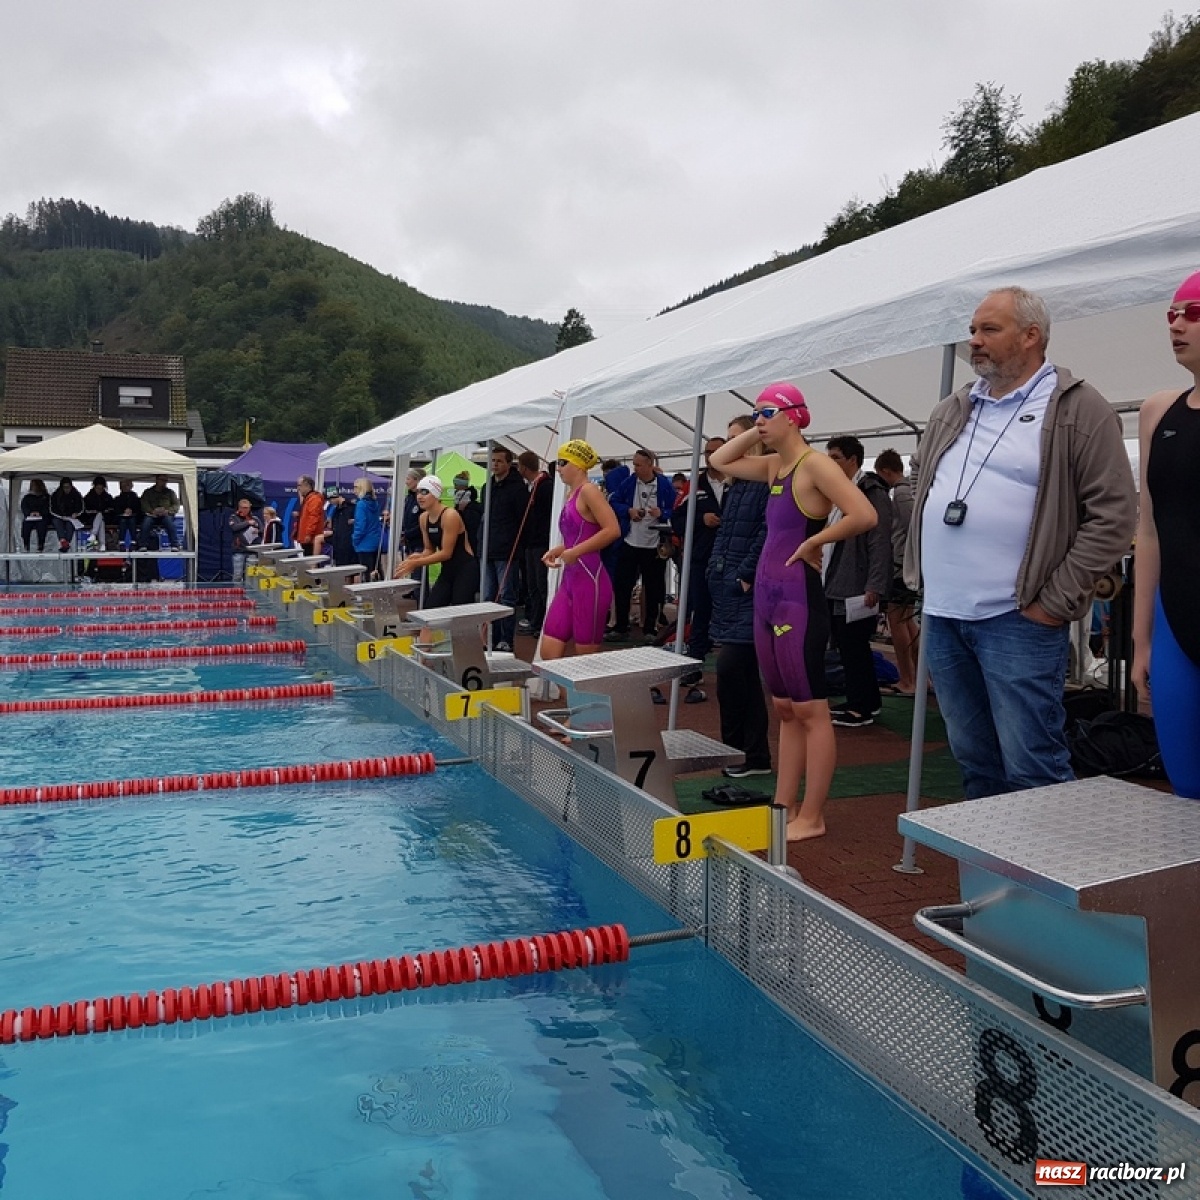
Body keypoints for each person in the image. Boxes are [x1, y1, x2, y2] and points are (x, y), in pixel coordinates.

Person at [904, 286, 1137, 800]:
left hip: (1019, 618)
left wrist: (1054, 602)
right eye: (972, 331)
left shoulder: (1079, 407)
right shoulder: (954, 407)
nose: (975, 341)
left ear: (1032, 336)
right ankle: (995, 882)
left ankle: (1047, 879)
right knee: (974, 762)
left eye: (989, 330)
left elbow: (1115, 514)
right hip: (945, 615)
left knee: (1033, 765)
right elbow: (920, 477)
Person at [710, 383, 877, 840]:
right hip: (765, 595)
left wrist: (815, 541)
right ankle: (783, 805)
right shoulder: (774, 466)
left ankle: (813, 815)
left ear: (794, 417)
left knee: (811, 710)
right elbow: (719, 462)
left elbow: (863, 514)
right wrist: (756, 427)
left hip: (797, 598)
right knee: (783, 707)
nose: (759, 419)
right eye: (756, 412)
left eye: (767, 412)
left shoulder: (815, 466)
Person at [1132, 271, 1200, 799]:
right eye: (1171, 314)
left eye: (1192, 313)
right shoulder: (1159, 411)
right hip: (1177, 623)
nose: (1176, 324)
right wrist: (1141, 639)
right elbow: (1148, 529)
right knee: (1186, 785)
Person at [707, 417, 772, 778]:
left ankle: (751, 754)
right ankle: (737, 752)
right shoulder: (738, 486)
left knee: (736, 670)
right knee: (734, 675)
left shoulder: (765, 480)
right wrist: (717, 570)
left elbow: (765, 533)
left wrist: (744, 574)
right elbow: (729, 531)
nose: (729, 447)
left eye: (737, 439)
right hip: (729, 588)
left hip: (747, 589)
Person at [823, 436, 894, 728]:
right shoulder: (840, 492)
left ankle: (861, 706)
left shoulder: (872, 492)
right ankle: (865, 700)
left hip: (856, 583)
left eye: (836, 457)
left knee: (854, 645)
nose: (831, 463)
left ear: (853, 460)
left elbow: (880, 542)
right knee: (849, 645)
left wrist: (875, 585)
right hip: (839, 579)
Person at [540, 440, 621, 659]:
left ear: (577, 464)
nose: (557, 468)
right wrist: (560, 549)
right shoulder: (571, 495)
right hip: (571, 579)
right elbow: (579, 536)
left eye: (562, 462)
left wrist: (575, 552)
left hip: (590, 581)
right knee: (549, 650)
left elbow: (613, 529)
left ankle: (587, 694)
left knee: (585, 660)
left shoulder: (589, 491)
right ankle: (567, 695)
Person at [670, 437, 728, 702]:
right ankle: (695, 664)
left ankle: (732, 666)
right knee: (700, 610)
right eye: (707, 453)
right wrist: (701, 519)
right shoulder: (695, 485)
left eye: (715, 452)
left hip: (732, 559)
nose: (710, 456)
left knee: (732, 612)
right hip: (701, 558)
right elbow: (676, 519)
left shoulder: (740, 480)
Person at [607, 448, 675, 642]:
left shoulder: (664, 485)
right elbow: (614, 502)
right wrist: (629, 511)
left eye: (638, 464)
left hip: (653, 543)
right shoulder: (629, 483)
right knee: (622, 585)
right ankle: (621, 626)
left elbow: (675, 509)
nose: (635, 468)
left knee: (653, 587)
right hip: (630, 541)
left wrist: (661, 513)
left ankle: (650, 628)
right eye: (634, 464)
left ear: (649, 465)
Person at [873, 449, 920, 696]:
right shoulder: (908, 490)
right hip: (907, 564)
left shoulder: (901, 493)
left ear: (886, 471)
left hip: (901, 566)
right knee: (908, 621)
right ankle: (920, 678)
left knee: (897, 620)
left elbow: (911, 525)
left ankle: (908, 679)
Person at [393, 476, 479, 607]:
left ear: (436, 494)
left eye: (425, 492)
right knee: (430, 609)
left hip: (466, 569)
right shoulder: (423, 518)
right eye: (418, 492)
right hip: (448, 570)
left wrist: (416, 563)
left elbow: (446, 553)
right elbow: (429, 549)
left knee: (460, 612)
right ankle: (426, 629)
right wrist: (416, 557)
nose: (419, 496)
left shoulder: (450, 515)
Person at [479, 447, 529, 652]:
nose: (495, 464)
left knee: (506, 595)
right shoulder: (487, 486)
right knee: (489, 595)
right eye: (492, 461)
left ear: (509, 463)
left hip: (507, 549)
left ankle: (506, 639)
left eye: (499, 461)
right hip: (488, 548)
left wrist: (517, 547)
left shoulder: (517, 488)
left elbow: (523, 520)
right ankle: (491, 637)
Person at [517, 450, 553, 637]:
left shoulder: (545, 486)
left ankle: (543, 622)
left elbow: (544, 517)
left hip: (540, 542)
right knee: (532, 584)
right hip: (532, 542)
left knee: (541, 584)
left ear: (524, 467)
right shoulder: (533, 487)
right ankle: (535, 620)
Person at [139, 475, 180, 550]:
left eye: (166, 481)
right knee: (146, 522)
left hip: (166, 515)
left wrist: (168, 511)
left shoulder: (170, 492)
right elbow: (144, 503)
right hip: (152, 515)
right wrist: (152, 511)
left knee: (170, 523)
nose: (164, 482)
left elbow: (176, 504)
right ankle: (143, 545)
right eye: (162, 480)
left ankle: (175, 545)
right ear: (157, 480)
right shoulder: (148, 492)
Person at [351, 477, 382, 575]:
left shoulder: (361, 504)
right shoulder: (375, 503)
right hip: (375, 540)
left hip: (364, 543)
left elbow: (361, 525)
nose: (354, 490)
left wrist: (354, 539)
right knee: (375, 571)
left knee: (366, 574)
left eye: (356, 487)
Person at [228, 498, 261, 583]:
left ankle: (250, 595)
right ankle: (236, 595)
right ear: (240, 508)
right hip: (239, 550)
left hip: (252, 551)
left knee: (251, 577)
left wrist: (258, 531)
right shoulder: (233, 517)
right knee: (237, 575)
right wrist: (248, 523)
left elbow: (262, 529)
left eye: (248, 507)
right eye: (244, 507)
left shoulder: (255, 518)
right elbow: (234, 527)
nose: (246, 509)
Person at [49, 477, 85, 550]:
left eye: (68, 487)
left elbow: (81, 508)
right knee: (57, 522)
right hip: (59, 517)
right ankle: (63, 540)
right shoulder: (55, 495)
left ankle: (67, 542)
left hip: (71, 518)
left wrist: (76, 513)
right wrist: (60, 516)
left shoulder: (76, 495)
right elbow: (52, 509)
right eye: (65, 487)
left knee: (70, 524)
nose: (67, 489)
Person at [325, 488, 357, 566]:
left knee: (350, 570)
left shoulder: (351, 507)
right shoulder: (336, 510)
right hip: (339, 542)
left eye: (330, 500)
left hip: (347, 543)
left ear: (334, 497)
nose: (330, 502)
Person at [294, 476, 325, 555]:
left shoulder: (314, 499)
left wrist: (309, 534)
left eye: (299, 485)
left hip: (310, 538)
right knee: (309, 559)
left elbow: (314, 518)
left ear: (307, 485)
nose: (298, 488)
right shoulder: (308, 499)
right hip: (307, 536)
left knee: (311, 561)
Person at [20, 478, 52, 552]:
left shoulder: (46, 497)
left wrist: (40, 513)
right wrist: (29, 513)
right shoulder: (27, 497)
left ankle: (41, 544)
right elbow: (24, 507)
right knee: (26, 525)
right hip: (30, 517)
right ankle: (26, 544)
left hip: (43, 517)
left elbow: (48, 507)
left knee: (41, 525)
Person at [80, 476, 112, 545]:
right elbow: (85, 509)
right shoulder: (88, 497)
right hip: (91, 518)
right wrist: (92, 512)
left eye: (101, 488)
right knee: (101, 521)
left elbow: (111, 508)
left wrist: (105, 511)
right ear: (94, 487)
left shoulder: (108, 497)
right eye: (98, 488)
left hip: (106, 517)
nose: (99, 490)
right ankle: (102, 544)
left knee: (100, 516)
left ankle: (93, 534)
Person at [111, 479, 142, 549]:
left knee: (132, 520)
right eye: (123, 485)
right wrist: (123, 512)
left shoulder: (136, 498)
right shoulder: (117, 499)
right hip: (121, 517)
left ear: (131, 486)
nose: (125, 487)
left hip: (134, 517)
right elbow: (115, 509)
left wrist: (131, 511)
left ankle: (133, 541)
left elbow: (139, 509)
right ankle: (121, 542)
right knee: (123, 520)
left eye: (127, 485)